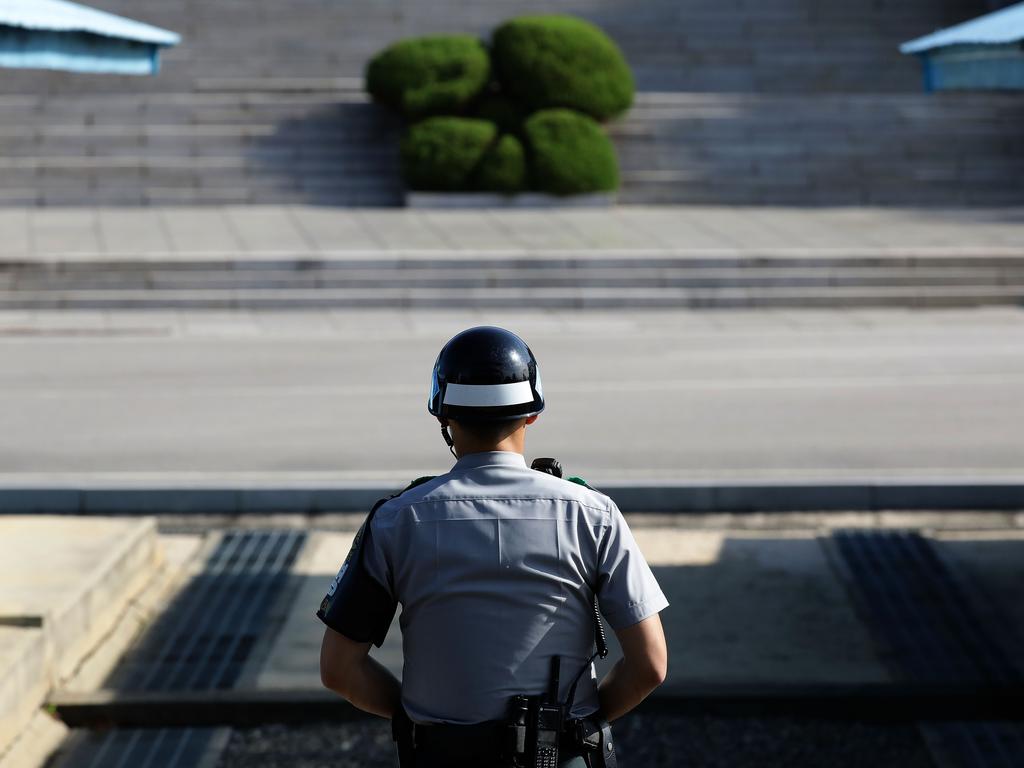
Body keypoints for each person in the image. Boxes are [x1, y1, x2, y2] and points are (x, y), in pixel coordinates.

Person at [317, 326, 669, 767]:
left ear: (443, 415)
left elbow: (338, 669)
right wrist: (579, 726)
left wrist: (417, 717)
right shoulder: (592, 513)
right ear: (532, 413)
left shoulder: (397, 520)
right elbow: (650, 665)